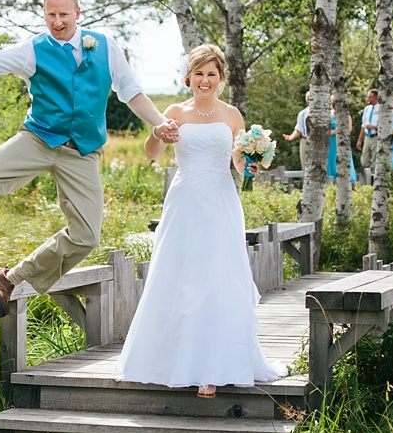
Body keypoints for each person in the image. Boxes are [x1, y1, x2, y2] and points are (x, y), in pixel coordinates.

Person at [0, 0, 175, 317]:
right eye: (51, 14)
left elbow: (132, 93)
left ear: (78, 14)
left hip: (82, 150)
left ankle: (11, 277)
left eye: (64, 14)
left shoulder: (105, 46)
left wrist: (160, 123)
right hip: (38, 139)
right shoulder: (32, 49)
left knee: (87, 236)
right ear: (44, 14)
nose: (57, 21)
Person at [116, 44, 285, 398]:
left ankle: (213, 368)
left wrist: (251, 167)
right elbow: (151, 153)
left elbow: (238, 164)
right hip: (184, 201)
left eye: (212, 74)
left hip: (221, 201)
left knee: (218, 277)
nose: (204, 80)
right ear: (188, 77)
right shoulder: (175, 111)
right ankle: (171, 362)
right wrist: (157, 133)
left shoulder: (232, 115)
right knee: (179, 276)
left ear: (220, 79)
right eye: (199, 74)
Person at [328, 96, 357, 183]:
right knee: (331, 159)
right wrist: (336, 131)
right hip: (331, 141)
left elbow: (349, 130)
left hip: (342, 141)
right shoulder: (329, 114)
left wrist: (338, 132)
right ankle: (330, 179)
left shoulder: (346, 115)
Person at [283, 91, 310, 169]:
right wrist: (291, 137)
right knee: (305, 166)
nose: (309, 100)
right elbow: (299, 129)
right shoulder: (302, 113)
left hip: (319, 142)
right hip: (305, 140)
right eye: (308, 99)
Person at [355, 89, 379, 169]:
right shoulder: (367, 109)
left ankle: (373, 178)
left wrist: (373, 126)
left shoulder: (381, 109)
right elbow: (363, 125)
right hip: (367, 137)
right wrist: (359, 140)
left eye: (370, 97)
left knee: (374, 159)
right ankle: (367, 176)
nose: (368, 99)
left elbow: (385, 127)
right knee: (364, 160)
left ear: (376, 98)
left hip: (376, 136)